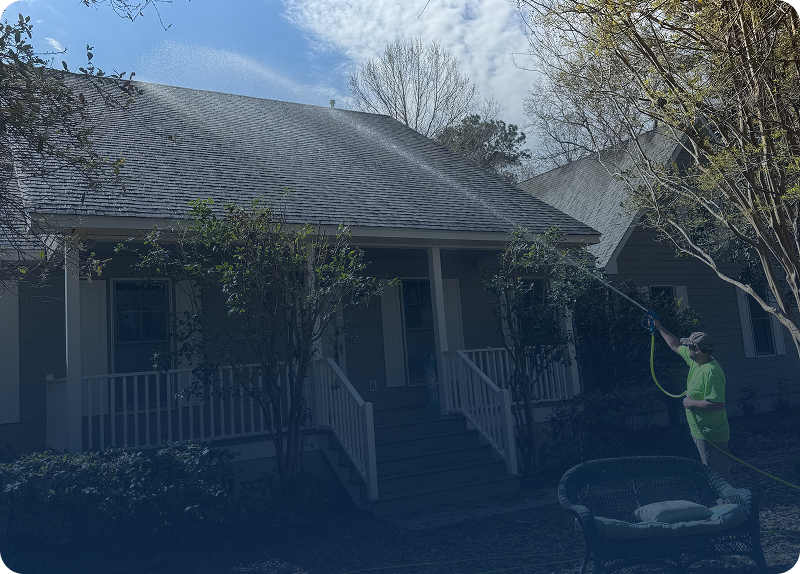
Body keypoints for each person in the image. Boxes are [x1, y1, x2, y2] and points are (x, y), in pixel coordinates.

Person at [651, 319, 735, 485]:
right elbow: (675, 344)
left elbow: (717, 404)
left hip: (712, 435)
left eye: (689, 346)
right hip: (700, 432)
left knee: (718, 478)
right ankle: (727, 507)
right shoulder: (695, 361)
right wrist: (659, 326)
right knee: (714, 476)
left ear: (697, 350)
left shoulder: (711, 372)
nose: (685, 348)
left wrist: (691, 404)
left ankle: (735, 508)